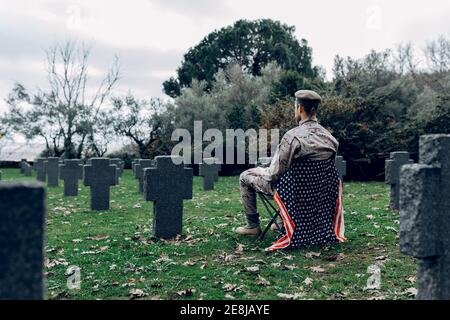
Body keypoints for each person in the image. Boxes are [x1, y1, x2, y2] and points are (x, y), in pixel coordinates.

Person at [235, 90, 345, 251]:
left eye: (295, 107)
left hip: (293, 194)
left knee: (245, 176)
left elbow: (273, 174)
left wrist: (259, 170)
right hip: (318, 195)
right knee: (290, 179)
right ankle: (282, 222)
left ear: (300, 108)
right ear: (315, 109)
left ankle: (252, 226)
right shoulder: (330, 138)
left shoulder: (292, 137)